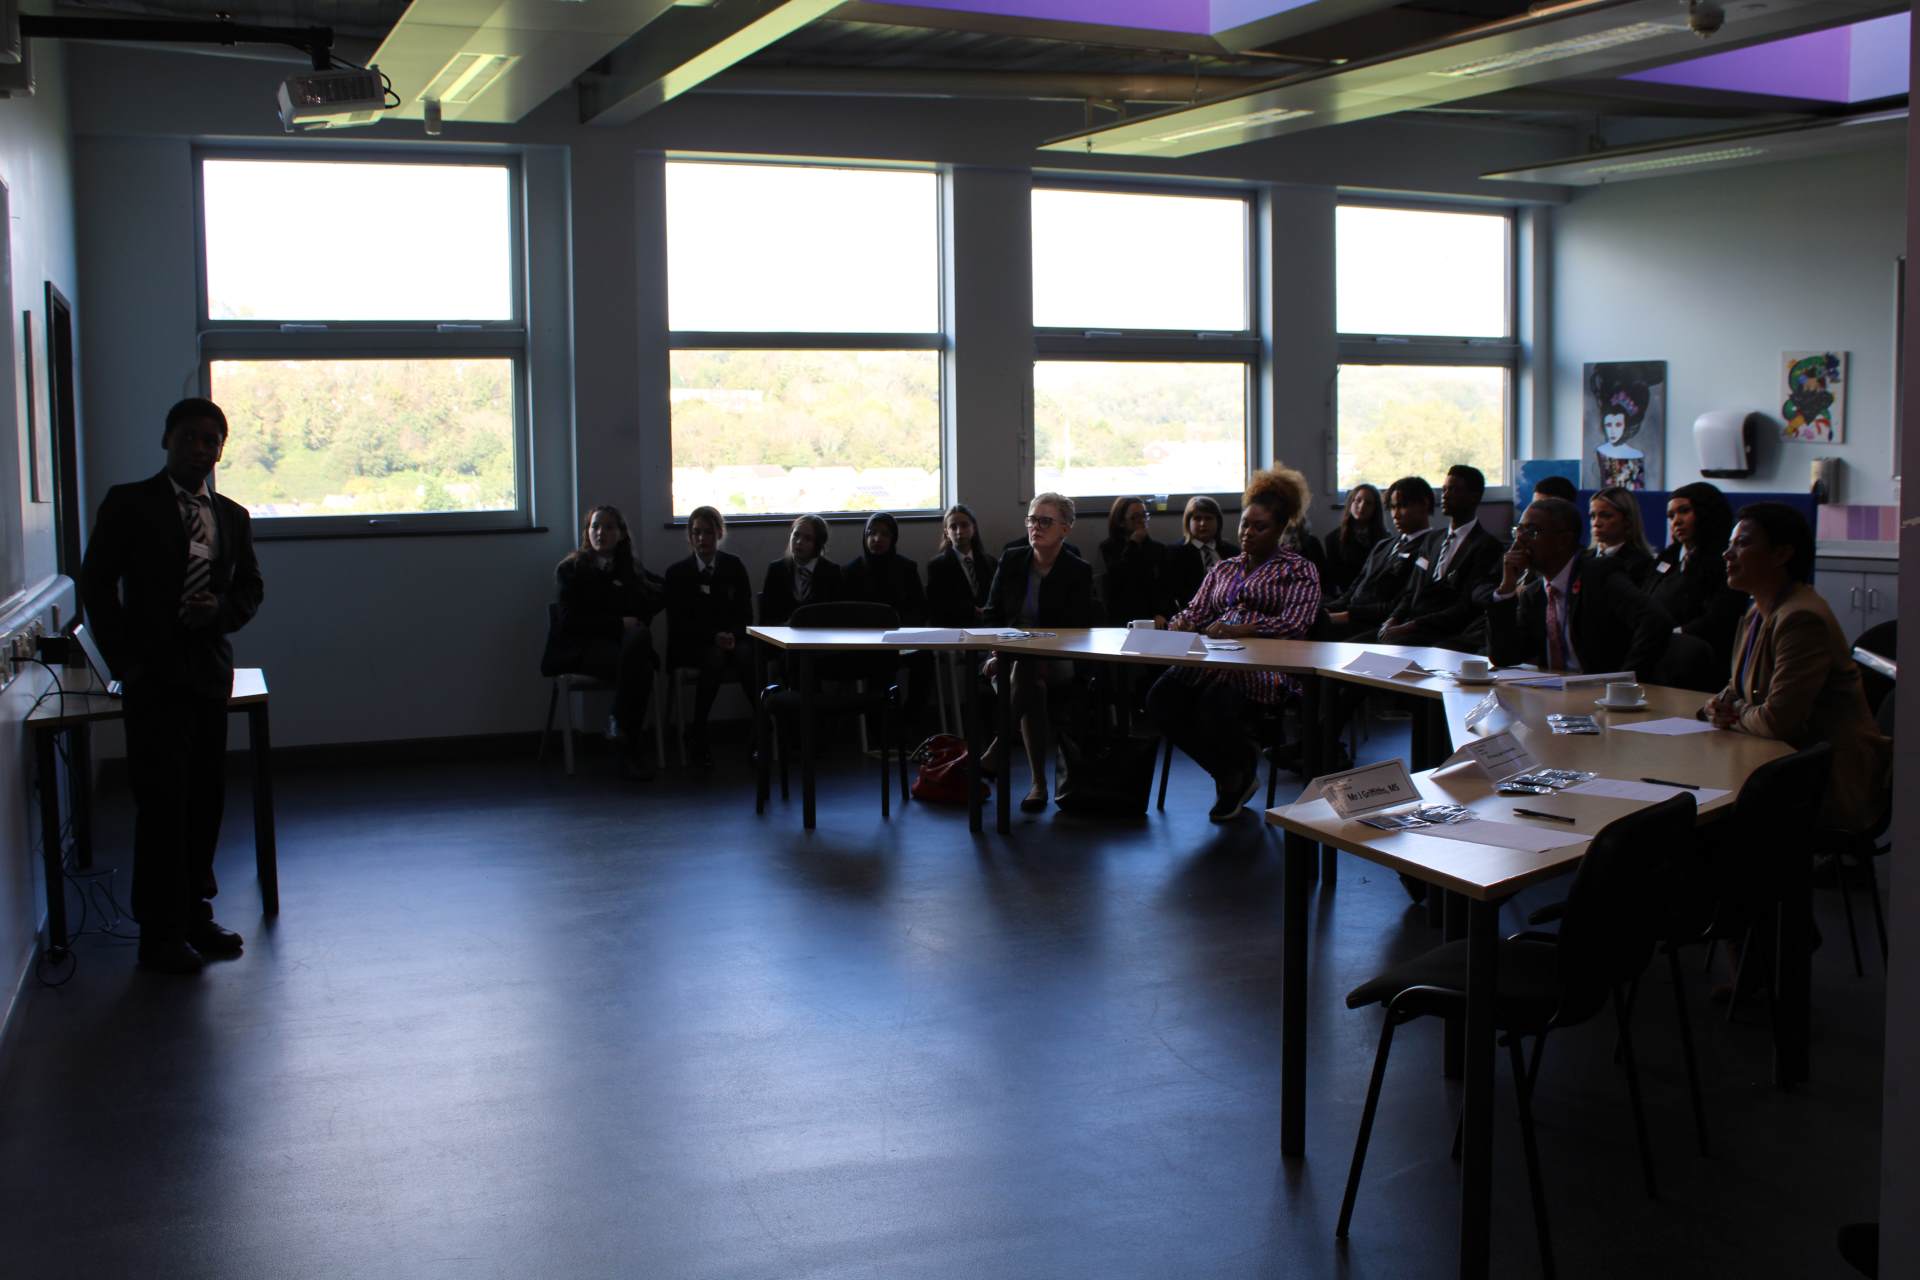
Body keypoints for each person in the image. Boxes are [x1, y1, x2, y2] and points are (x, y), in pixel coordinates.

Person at [79, 397, 264, 975]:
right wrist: (125, 664)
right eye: (189, 437)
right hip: (152, 678)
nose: (199, 449)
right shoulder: (130, 504)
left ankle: (194, 916)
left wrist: (219, 613)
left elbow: (250, 589)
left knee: (205, 801)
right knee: (162, 805)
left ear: (220, 451)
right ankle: (158, 935)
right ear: (167, 440)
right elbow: (96, 585)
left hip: (207, 677)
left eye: (211, 441)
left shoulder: (231, 516)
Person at [1145, 466, 1321, 823]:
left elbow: (1295, 625)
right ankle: (1231, 771)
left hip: (1264, 665)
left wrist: (1243, 628)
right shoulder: (1224, 569)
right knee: (1160, 699)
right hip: (1212, 659)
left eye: (1260, 527)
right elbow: (1196, 610)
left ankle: (1233, 776)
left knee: (1212, 704)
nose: (1247, 533)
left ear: (1281, 529)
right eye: (1244, 524)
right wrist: (1181, 623)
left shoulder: (1299, 570)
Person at [1704, 502, 1890, 832]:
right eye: (1730, 544)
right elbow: (1737, 687)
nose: (1727, 554)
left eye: (1742, 543)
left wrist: (1733, 712)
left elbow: (1778, 722)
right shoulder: (1758, 611)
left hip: (1827, 780)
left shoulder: (1801, 617)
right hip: (1778, 761)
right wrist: (1718, 704)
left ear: (1781, 554)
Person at [981, 492, 1098, 812]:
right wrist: (995, 652)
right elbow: (991, 614)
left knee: (1029, 673)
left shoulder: (1077, 570)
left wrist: (1038, 651)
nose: (1036, 527)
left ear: (1065, 528)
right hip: (1008, 656)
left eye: (1046, 521)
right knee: (1031, 683)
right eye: (1032, 519)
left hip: (1059, 658)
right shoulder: (1012, 559)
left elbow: (1077, 628)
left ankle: (997, 751)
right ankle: (1038, 784)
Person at [1486, 496, 1674, 680]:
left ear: (1563, 540)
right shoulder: (1534, 594)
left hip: (1600, 692)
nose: (1519, 542)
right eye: (1518, 531)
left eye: (1532, 532)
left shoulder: (1598, 576)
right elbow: (1505, 656)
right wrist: (1506, 588)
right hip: (1554, 692)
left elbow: (1655, 620)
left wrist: (1627, 679)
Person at [550, 505, 665, 779]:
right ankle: (629, 748)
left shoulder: (629, 569)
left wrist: (638, 618)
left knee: (639, 645)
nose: (600, 532)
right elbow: (569, 622)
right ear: (587, 532)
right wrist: (619, 623)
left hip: (623, 648)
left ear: (621, 534)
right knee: (641, 666)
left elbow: (659, 593)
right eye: (595, 526)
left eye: (609, 527)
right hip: (585, 648)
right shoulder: (571, 569)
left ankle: (618, 725)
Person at [1376, 464, 1504, 651]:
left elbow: (1466, 605)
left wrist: (1412, 626)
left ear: (1474, 496)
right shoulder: (1432, 540)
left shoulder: (1486, 546)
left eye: (1454, 490)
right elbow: (1411, 590)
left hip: (1444, 631)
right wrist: (1393, 618)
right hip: (1411, 623)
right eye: (1444, 489)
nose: (1445, 495)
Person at [664, 505, 754, 768]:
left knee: (747, 654)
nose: (702, 538)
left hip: (732, 639)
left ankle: (763, 727)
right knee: (714, 657)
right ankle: (699, 731)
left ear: (719, 533)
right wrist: (713, 636)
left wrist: (732, 634)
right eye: (696, 533)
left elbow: (746, 614)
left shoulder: (734, 566)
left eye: (708, 532)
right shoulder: (677, 573)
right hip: (693, 644)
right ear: (689, 536)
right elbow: (679, 623)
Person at [1324, 475, 1441, 642]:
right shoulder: (1383, 545)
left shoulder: (1431, 548)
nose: (1395, 514)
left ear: (1424, 504)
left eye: (1402, 506)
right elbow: (1354, 589)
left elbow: (1400, 603)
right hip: (1351, 616)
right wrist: (1325, 609)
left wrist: (1345, 615)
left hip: (1378, 625)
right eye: (1392, 507)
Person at [1647, 481, 1747, 673]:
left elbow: (1720, 617)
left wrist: (1675, 633)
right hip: (1657, 650)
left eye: (1684, 511)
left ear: (1705, 513)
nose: (1676, 521)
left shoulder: (1726, 560)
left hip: (1702, 659)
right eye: (1671, 516)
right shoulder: (1667, 556)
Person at [843, 511, 932, 723]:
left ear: (893, 539)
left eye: (884, 534)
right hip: (865, 644)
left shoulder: (906, 568)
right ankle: (878, 723)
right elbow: (846, 614)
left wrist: (899, 631)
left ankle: (910, 719)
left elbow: (919, 609)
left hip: (901, 640)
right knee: (879, 664)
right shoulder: (851, 571)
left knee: (925, 658)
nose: (877, 539)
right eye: (871, 533)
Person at [1097, 496, 1174, 625]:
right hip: (1121, 615)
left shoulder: (1158, 548)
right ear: (1121, 522)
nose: (1142, 521)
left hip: (1153, 615)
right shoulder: (1108, 548)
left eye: (1144, 515)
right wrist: (1133, 545)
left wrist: (1161, 613)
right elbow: (1115, 582)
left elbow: (1165, 586)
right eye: (1135, 517)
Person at [760, 514, 843, 627]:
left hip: (819, 634)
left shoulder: (831, 572)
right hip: (782, 634)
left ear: (818, 544)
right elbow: (766, 618)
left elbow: (836, 617)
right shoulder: (776, 569)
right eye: (796, 535)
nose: (799, 542)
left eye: (807, 538)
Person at [1166, 496, 1239, 610]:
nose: (1203, 523)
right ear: (1188, 522)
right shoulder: (1173, 553)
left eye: (1208, 518)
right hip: (1190, 611)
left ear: (1218, 522)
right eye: (1197, 518)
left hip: (1228, 611)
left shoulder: (1233, 552)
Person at [926, 503, 991, 627]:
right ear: (946, 533)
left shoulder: (990, 562)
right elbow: (937, 606)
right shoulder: (936, 566)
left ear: (973, 528)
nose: (959, 531)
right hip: (954, 628)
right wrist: (971, 611)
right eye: (953, 527)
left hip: (987, 626)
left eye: (964, 525)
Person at [1319, 483, 1388, 599]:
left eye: (1368, 503)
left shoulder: (1385, 539)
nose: (1361, 506)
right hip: (1346, 597)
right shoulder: (1333, 539)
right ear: (1350, 503)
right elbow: (1333, 579)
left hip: (1375, 597)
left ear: (1375, 509)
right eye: (1358, 500)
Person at [1590, 368, 1650, 490]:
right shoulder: (1600, 452)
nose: (1612, 431)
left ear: (1625, 426)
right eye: (1608, 425)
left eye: (1618, 425)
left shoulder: (1635, 455)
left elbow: (1638, 490)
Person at [1584, 485, 1656, 586]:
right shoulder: (1582, 559)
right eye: (1592, 516)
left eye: (1606, 516)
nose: (1596, 523)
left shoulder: (1642, 565)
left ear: (1627, 520)